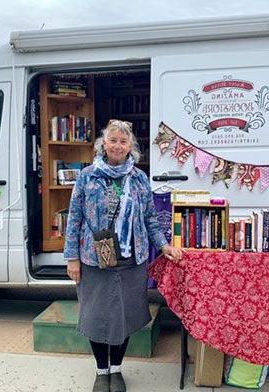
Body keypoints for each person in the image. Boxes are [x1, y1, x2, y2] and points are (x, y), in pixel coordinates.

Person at [64, 119, 184, 392]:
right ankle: (101, 371)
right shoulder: (87, 176)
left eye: (123, 141)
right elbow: (74, 219)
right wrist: (72, 258)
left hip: (131, 260)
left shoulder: (140, 179)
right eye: (113, 140)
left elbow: (151, 220)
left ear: (131, 147)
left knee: (123, 316)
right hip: (94, 259)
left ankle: (116, 370)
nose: (118, 145)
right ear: (103, 144)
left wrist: (163, 245)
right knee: (95, 316)